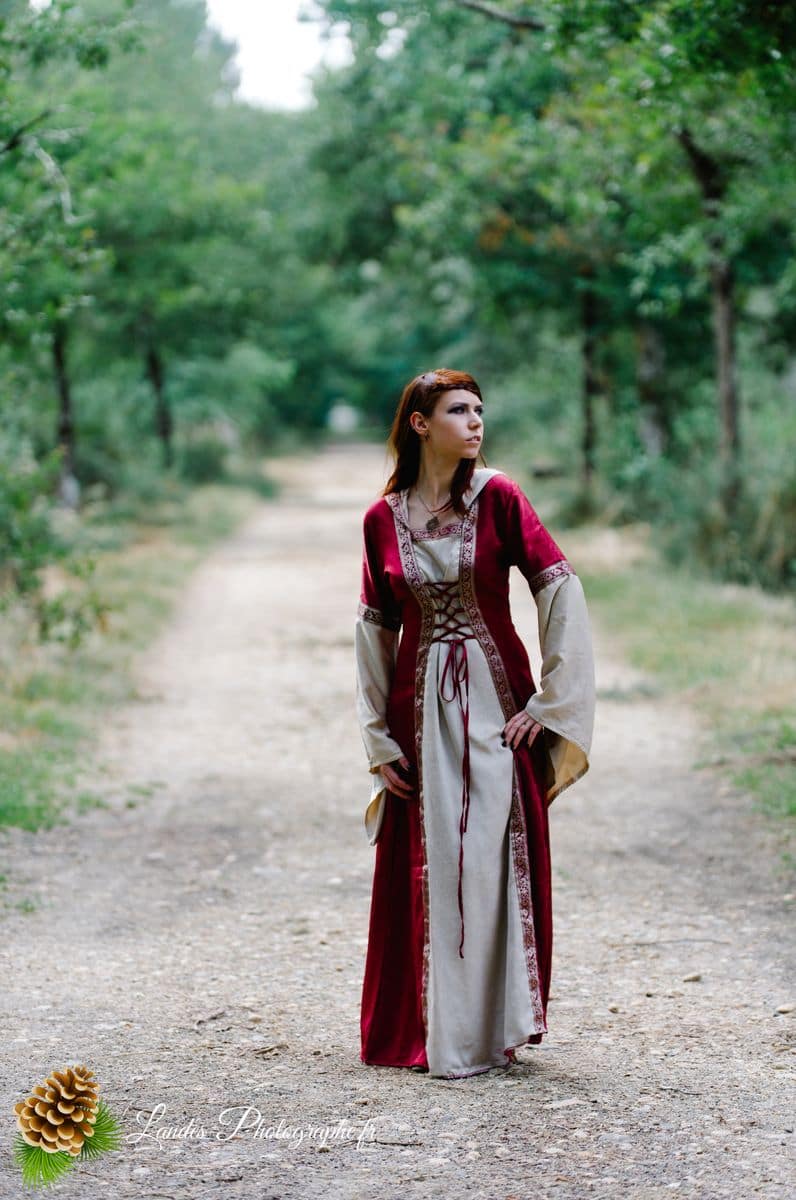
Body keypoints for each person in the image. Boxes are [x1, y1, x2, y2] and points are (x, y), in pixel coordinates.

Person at [354, 368, 595, 1079]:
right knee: (434, 862)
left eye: (480, 409)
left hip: (498, 707)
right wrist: (377, 738)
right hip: (418, 710)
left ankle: (496, 1027)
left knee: (494, 855)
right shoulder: (381, 518)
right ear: (421, 424)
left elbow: (560, 586)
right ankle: (429, 1029)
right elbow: (374, 630)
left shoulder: (499, 498)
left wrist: (550, 703)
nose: (476, 420)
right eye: (459, 410)